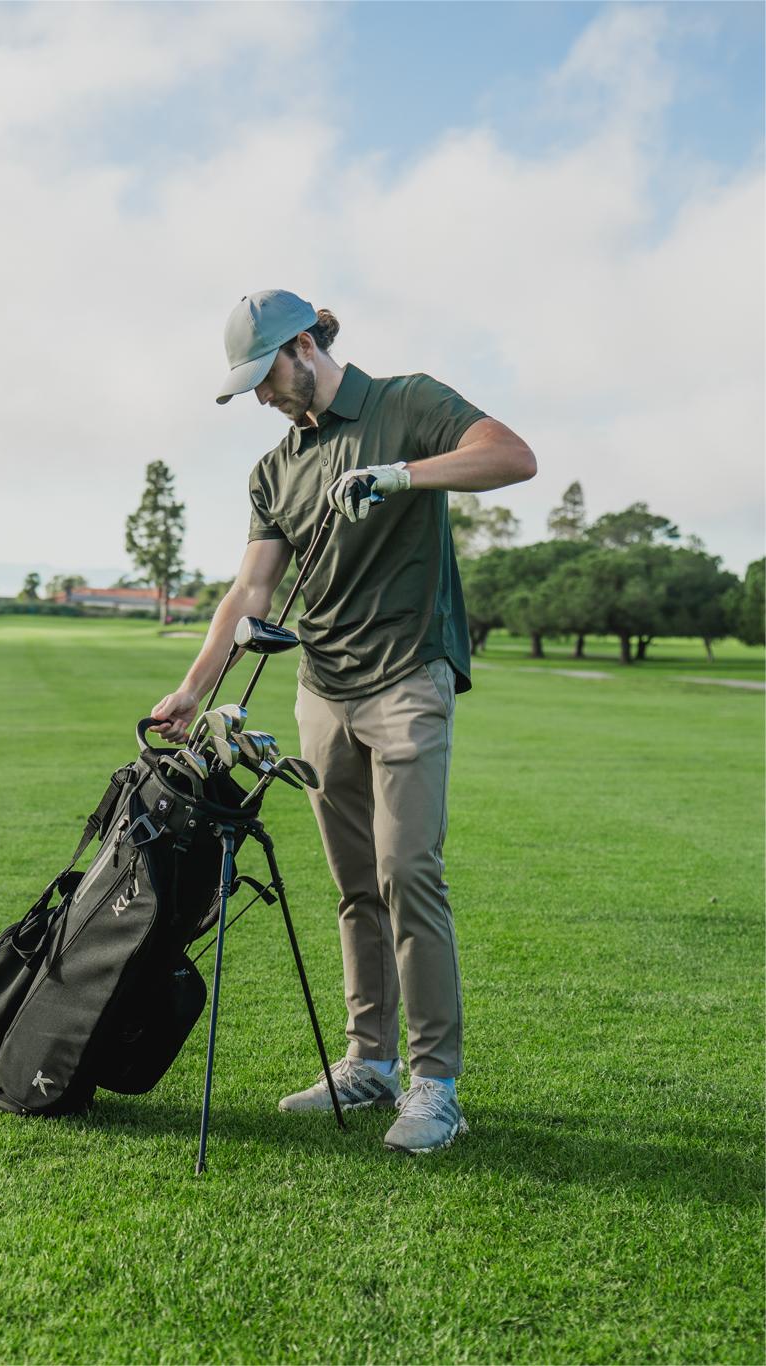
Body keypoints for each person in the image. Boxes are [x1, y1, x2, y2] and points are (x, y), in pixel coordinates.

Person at [151, 289, 536, 1154]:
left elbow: (510, 457)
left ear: (302, 346)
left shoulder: (406, 403)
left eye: (265, 377)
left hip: (406, 676)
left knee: (409, 876)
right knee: (355, 886)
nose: (260, 398)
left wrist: (401, 474)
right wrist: (191, 689)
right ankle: (369, 1061)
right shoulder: (274, 469)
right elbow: (250, 593)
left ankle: (434, 1085)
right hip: (320, 690)